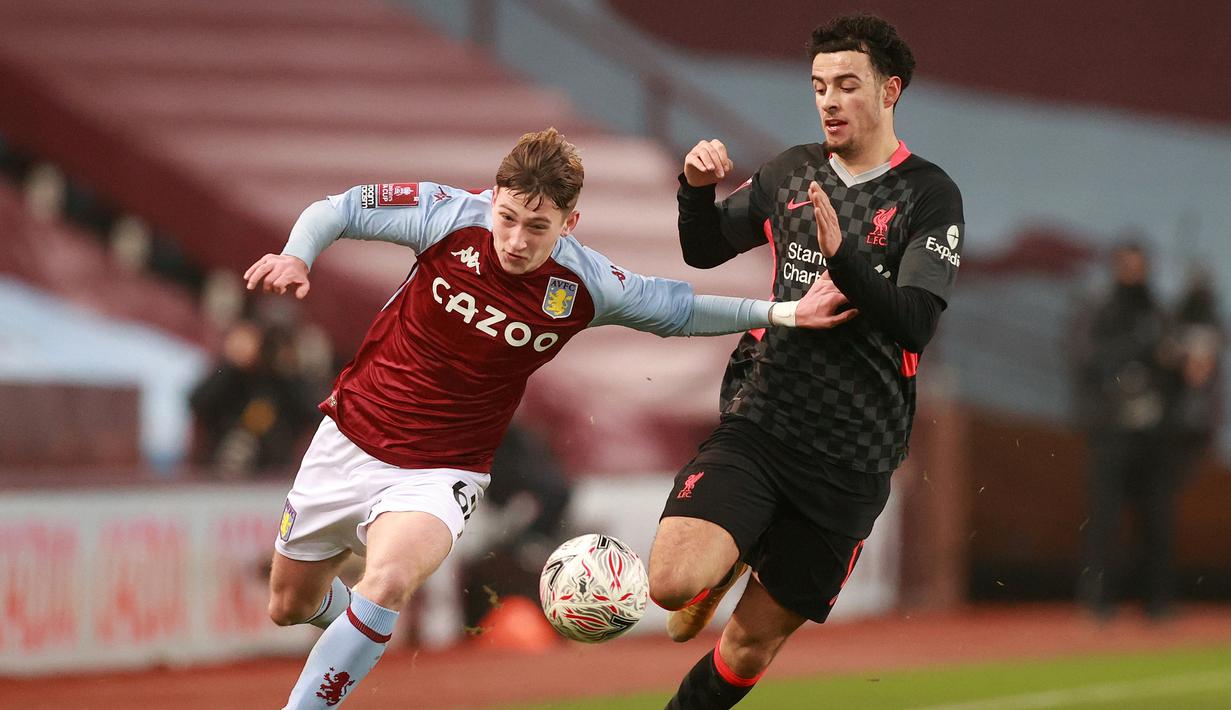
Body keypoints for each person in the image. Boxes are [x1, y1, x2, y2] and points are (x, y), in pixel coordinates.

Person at [243, 128, 856, 709]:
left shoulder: (584, 283)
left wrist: (787, 314)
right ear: (492, 198)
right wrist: (298, 255)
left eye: (537, 228)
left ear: (569, 223)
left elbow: (679, 310)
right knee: (290, 605)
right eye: (507, 218)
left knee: (389, 581)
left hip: (440, 470)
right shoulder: (446, 215)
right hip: (349, 436)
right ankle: (355, 631)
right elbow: (341, 208)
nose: (515, 240)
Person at [645, 15, 965, 708]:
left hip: (854, 454)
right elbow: (702, 250)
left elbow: (913, 325)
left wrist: (842, 256)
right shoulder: (789, 171)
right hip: (764, 418)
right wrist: (693, 190)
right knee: (669, 585)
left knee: (747, 647)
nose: (828, 100)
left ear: (889, 92)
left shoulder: (928, 195)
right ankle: (729, 551)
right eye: (818, 86)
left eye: (847, 85)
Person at [1072, 242, 1176, 619]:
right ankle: (1099, 601)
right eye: (1127, 266)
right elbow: (1085, 360)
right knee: (1104, 519)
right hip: (1111, 430)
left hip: (1153, 433)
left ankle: (1157, 601)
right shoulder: (1101, 309)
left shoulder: (1159, 313)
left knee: (1156, 519)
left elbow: (1175, 367)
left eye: (1139, 266)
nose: (1133, 273)